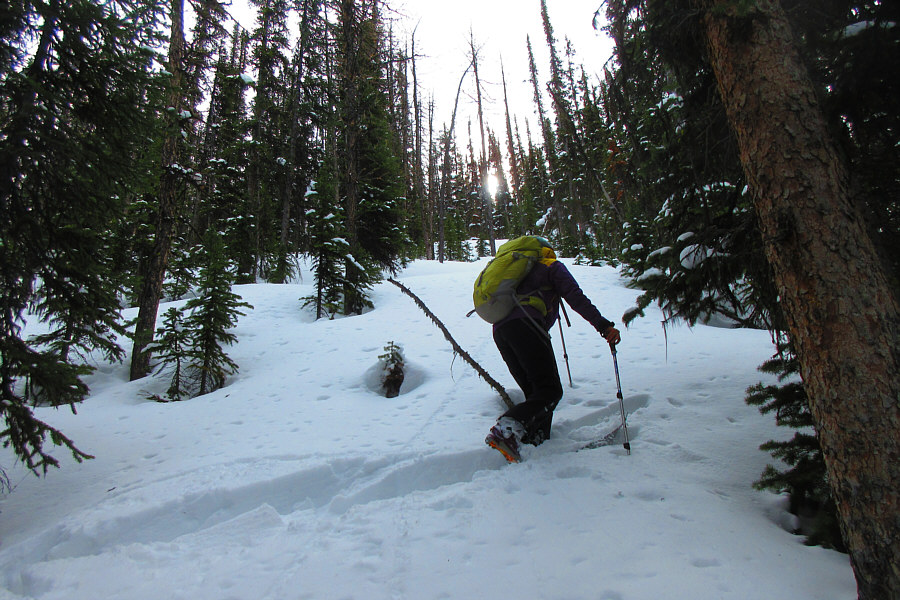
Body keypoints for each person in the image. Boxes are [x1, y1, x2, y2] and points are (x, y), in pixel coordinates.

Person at [485, 241, 621, 463]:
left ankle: (534, 443)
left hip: (501, 332)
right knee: (550, 391)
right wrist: (603, 326)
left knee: (536, 393)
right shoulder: (551, 266)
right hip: (527, 326)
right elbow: (576, 298)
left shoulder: (517, 274)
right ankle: (505, 430)